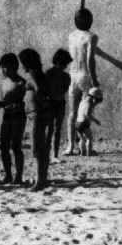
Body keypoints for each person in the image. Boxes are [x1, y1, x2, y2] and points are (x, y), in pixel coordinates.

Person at [67, 8, 99, 156]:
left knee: (72, 113)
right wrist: (95, 79)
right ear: (90, 21)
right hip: (85, 76)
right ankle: (86, 145)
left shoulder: (71, 36)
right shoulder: (91, 37)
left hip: (72, 75)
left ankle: (70, 146)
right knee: (85, 112)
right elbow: (89, 60)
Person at [19, 48, 52, 191]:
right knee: (42, 148)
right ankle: (42, 178)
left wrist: (41, 103)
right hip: (40, 113)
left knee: (36, 148)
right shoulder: (40, 74)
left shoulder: (32, 75)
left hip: (36, 114)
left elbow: (39, 90)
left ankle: (39, 181)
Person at [0, 53, 26, 185]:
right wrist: (2, 104)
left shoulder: (21, 82)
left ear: (14, 66)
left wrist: (6, 104)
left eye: (5, 67)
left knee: (16, 146)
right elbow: (6, 100)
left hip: (18, 116)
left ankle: (18, 175)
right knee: (3, 146)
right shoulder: (4, 82)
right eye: (2, 68)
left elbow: (23, 103)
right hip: (7, 116)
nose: (3, 70)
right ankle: (8, 174)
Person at [45, 49, 72, 162]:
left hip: (58, 103)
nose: (64, 66)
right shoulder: (50, 74)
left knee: (56, 130)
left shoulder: (64, 76)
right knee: (50, 129)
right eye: (63, 64)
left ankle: (54, 154)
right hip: (52, 103)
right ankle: (48, 154)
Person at [75, 86, 103, 156]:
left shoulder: (83, 101)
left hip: (78, 122)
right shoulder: (89, 103)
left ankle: (82, 153)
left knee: (82, 139)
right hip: (84, 123)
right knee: (89, 138)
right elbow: (87, 114)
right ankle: (89, 153)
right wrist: (95, 120)